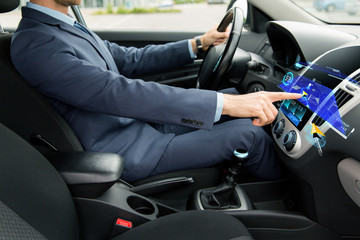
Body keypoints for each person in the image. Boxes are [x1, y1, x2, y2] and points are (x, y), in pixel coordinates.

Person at [10, 0, 301, 182]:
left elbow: (129, 60)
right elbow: (115, 92)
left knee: (230, 97)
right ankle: (290, 202)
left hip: (139, 128)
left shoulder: (64, 28)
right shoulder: (36, 43)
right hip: (127, 149)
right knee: (246, 134)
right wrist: (227, 104)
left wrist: (200, 43)